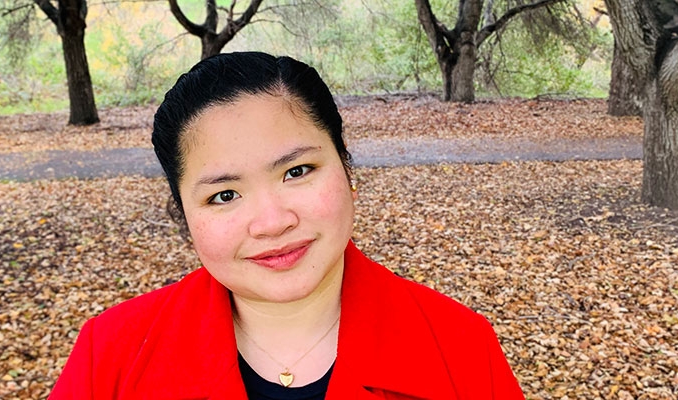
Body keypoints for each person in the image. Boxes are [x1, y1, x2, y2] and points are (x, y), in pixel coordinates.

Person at [48, 52, 524, 399]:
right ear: (184, 216)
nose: (273, 223)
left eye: (297, 172)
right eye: (224, 195)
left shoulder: (460, 347)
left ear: (347, 170)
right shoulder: (110, 356)